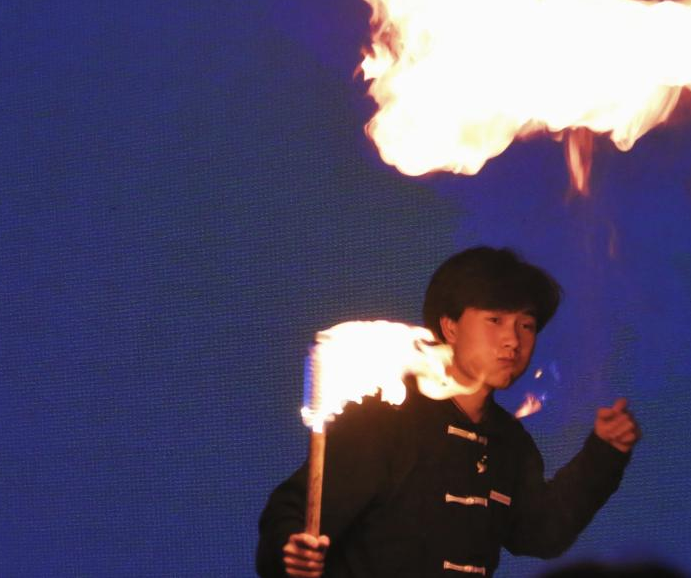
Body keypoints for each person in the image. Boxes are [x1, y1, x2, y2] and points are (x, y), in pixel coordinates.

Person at [256, 246, 641, 577]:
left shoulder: (509, 442)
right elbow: (293, 511)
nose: (513, 340)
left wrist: (604, 452)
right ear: (450, 326)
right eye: (495, 320)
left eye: (526, 325)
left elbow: (541, 533)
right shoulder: (386, 419)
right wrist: (290, 550)